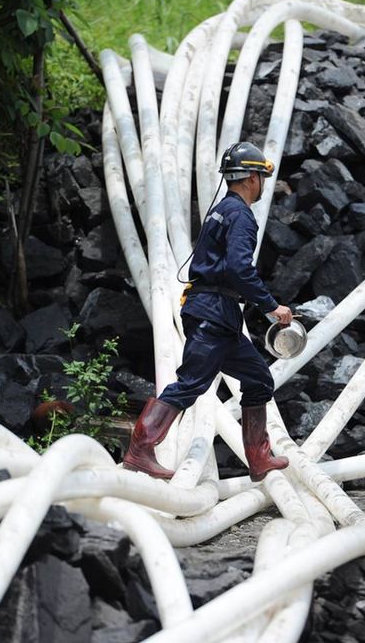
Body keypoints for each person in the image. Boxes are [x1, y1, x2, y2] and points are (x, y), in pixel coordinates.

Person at [123, 141, 293, 480]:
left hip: (219, 314)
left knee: (259, 378)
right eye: (261, 176)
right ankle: (140, 448)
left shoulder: (220, 210)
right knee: (189, 383)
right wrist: (272, 307)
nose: (262, 184)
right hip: (213, 313)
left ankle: (258, 458)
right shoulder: (241, 216)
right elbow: (239, 270)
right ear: (250, 179)